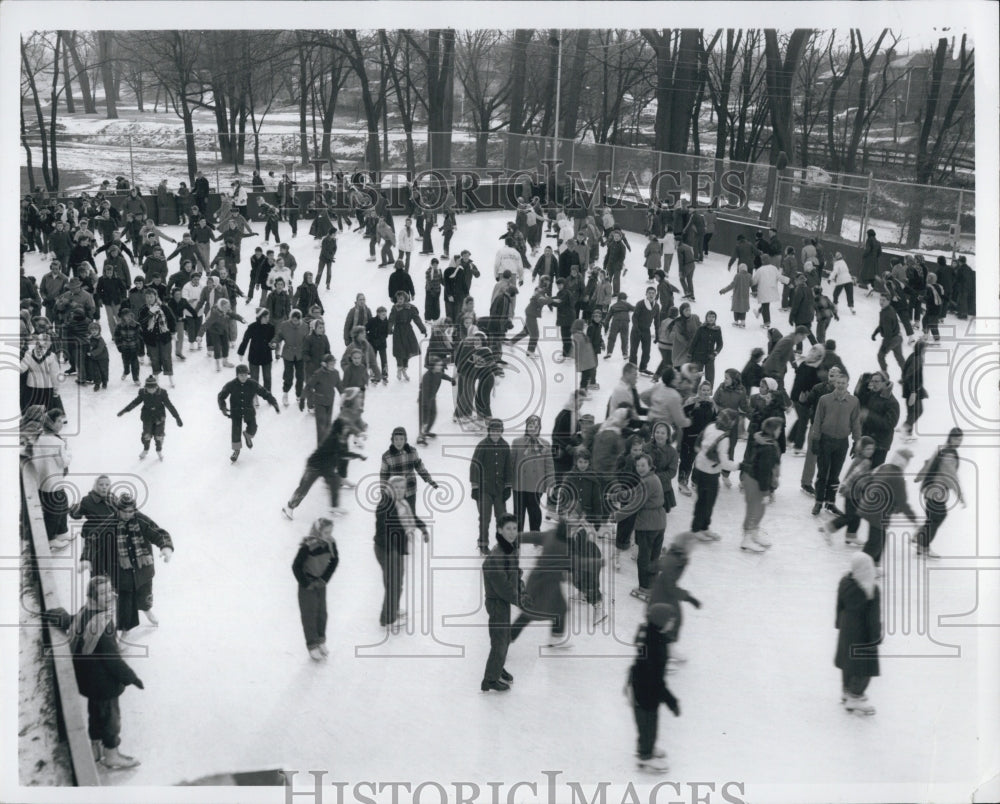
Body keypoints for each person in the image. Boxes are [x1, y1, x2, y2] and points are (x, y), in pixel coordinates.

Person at [42, 576, 145, 769]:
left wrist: (56, 614)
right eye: (103, 593)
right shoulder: (103, 625)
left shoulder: (85, 612)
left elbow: (69, 622)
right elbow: (113, 660)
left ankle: (95, 750)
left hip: (88, 682)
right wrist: (132, 678)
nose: (110, 596)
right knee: (110, 721)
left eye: (109, 591)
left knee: (95, 714)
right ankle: (112, 755)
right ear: (93, 597)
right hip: (104, 685)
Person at [85, 492, 173, 634]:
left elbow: (158, 532)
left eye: (131, 511)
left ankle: (146, 609)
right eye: (124, 511)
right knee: (125, 603)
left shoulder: (140, 520)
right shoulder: (110, 524)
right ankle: (126, 629)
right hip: (122, 573)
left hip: (142, 569)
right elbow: (93, 540)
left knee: (145, 593)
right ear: (118, 510)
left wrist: (166, 546)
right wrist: (86, 558)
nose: (128, 514)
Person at [627, 601, 681, 774]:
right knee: (648, 724)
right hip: (645, 691)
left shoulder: (653, 635)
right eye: (670, 620)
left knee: (648, 723)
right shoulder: (656, 647)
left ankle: (647, 748)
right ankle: (645, 757)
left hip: (641, 687)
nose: (673, 622)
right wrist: (671, 701)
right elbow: (657, 680)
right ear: (662, 622)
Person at [283, 415, 367, 519]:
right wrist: (358, 456)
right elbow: (342, 454)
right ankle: (289, 507)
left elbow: (343, 453)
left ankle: (334, 507)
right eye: (345, 427)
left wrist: (358, 452)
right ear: (339, 428)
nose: (347, 429)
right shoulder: (332, 439)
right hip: (314, 466)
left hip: (327, 467)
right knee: (304, 487)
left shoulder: (341, 438)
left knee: (335, 481)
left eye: (347, 427)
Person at [375, 475, 430, 632]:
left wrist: (423, 528)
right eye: (396, 487)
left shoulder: (402, 503)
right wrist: (392, 550)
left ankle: (393, 610)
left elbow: (411, 517)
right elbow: (383, 531)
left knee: (397, 584)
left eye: (402, 488)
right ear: (390, 488)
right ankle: (388, 620)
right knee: (393, 584)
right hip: (387, 549)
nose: (399, 490)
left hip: (396, 549)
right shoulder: (386, 505)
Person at [856, 448, 920, 569]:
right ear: (903, 463)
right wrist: (914, 519)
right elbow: (903, 503)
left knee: (880, 539)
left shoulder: (885, 467)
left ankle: (874, 565)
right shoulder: (898, 478)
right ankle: (858, 570)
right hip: (878, 512)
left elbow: (870, 479)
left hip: (870, 506)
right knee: (874, 543)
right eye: (907, 461)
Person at [835, 553, 881, 715]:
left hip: (847, 630)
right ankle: (855, 696)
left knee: (848, 663)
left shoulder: (844, 582)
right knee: (864, 667)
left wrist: (839, 623)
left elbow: (839, 605)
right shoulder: (871, 589)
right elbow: (873, 618)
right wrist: (876, 637)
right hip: (863, 635)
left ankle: (846, 691)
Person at [481, 513, 522, 692]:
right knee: (500, 640)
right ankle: (490, 680)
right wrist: (520, 599)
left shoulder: (509, 549)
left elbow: (515, 573)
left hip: (503, 601)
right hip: (497, 602)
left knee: (503, 638)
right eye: (508, 529)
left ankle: (498, 666)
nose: (512, 532)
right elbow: (503, 587)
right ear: (499, 530)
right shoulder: (497, 556)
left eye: (514, 528)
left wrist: (522, 587)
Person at [810, 371, 861, 516]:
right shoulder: (824, 399)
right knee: (822, 473)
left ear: (847, 384)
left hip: (842, 442)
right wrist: (816, 439)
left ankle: (830, 503)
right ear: (834, 383)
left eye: (843, 383)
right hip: (825, 440)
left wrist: (857, 441)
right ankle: (819, 501)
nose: (840, 385)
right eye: (838, 382)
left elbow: (856, 422)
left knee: (835, 474)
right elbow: (818, 420)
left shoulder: (853, 401)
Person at [913, 428, 965, 559]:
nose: (959, 442)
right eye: (957, 439)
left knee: (933, 518)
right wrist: (961, 497)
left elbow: (928, 464)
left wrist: (920, 477)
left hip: (930, 489)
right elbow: (952, 477)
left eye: (960, 439)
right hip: (937, 491)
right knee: (938, 517)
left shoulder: (942, 449)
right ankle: (923, 545)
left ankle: (920, 540)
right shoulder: (949, 455)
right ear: (951, 438)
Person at [292, 518, 339, 660]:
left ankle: (320, 640)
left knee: (322, 613)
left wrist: (324, 579)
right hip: (307, 585)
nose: (329, 535)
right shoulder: (308, 546)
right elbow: (296, 566)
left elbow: (335, 561)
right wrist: (306, 583)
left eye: (330, 532)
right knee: (309, 614)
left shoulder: (331, 543)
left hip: (320, 584)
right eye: (326, 532)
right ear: (318, 531)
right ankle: (312, 644)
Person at [690, 408, 739, 540]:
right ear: (731, 422)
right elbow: (724, 462)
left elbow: (698, 445)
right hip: (709, 472)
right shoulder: (724, 438)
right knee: (707, 502)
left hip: (700, 467)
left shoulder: (710, 426)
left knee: (704, 500)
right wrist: (738, 466)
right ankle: (697, 529)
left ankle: (703, 527)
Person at [217, 364, 281, 463]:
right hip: (236, 411)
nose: (244, 377)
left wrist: (274, 402)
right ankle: (236, 450)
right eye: (241, 375)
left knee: (253, 428)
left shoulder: (253, 383)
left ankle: (248, 435)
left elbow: (265, 393)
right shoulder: (231, 384)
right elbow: (221, 396)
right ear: (237, 375)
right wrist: (223, 408)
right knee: (236, 431)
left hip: (248, 410)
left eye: (245, 375)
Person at [739, 416, 783, 552]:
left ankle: (754, 533)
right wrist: (765, 492)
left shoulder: (766, 441)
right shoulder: (767, 448)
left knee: (760, 510)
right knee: (754, 510)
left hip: (756, 480)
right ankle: (746, 539)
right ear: (774, 430)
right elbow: (763, 472)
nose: (781, 432)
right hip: (754, 481)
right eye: (780, 429)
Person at [471, 419, 514, 555]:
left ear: (501, 432)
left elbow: (508, 467)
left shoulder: (505, 446)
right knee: (485, 518)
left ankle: (503, 544)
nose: (495, 434)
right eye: (493, 431)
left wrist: (508, 486)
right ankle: (483, 544)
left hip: (500, 490)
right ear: (489, 431)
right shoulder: (482, 445)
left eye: (498, 431)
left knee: (502, 517)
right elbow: (474, 466)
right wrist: (475, 487)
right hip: (485, 490)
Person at [31, 409, 73, 549]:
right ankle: (50, 538)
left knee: (62, 505)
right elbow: (64, 462)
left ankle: (62, 532)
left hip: (42, 481)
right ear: (51, 423)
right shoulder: (57, 441)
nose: (61, 424)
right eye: (59, 421)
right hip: (53, 482)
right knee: (55, 510)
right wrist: (69, 452)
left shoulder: (39, 437)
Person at [117, 375, 183, 460]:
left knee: (159, 435)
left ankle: (159, 450)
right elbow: (135, 403)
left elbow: (169, 406)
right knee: (146, 434)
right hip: (147, 417)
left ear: (156, 387)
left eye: (152, 388)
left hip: (159, 417)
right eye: (148, 388)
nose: (150, 390)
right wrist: (125, 410)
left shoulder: (162, 393)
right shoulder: (143, 393)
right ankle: (146, 449)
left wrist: (177, 417)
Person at [900, 339, 928, 440]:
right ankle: (906, 428)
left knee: (912, 411)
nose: (926, 350)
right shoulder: (917, 359)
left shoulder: (914, 356)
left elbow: (906, 371)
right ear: (921, 348)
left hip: (912, 389)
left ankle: (908, 432)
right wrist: (913, 391)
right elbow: (911, 375)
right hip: (913, 390)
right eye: (925, 348)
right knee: (918, 410)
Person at [872, 294, 905, 375]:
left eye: (884, 300)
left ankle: (884, 374)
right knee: (899, 357)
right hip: (898, 337)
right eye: (880, 300)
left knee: (880, 355)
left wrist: (884, 346)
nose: (881, 302)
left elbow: (888, 333)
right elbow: (882, 325)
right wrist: (875, 333)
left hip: (892, 339)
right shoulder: (888, 309)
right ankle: (907, 375)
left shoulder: (887, 314)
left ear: (888, 301)